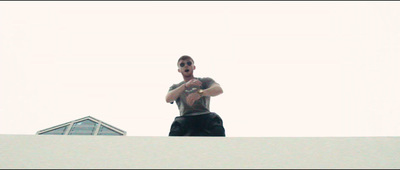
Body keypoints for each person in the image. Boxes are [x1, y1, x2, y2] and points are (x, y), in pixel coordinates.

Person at [166, 55, 225, 136]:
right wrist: (185, 85)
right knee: (176, 125)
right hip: (185, 118)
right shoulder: (175, 87)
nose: (186, 65)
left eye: (189, 63)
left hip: (205, 116)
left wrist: (200, 93)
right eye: (182, 64)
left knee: (215, 120)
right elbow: (168, 99)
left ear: (194, 67)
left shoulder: (204, 81)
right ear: (179, 70)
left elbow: (218, 90)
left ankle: (220, 146)